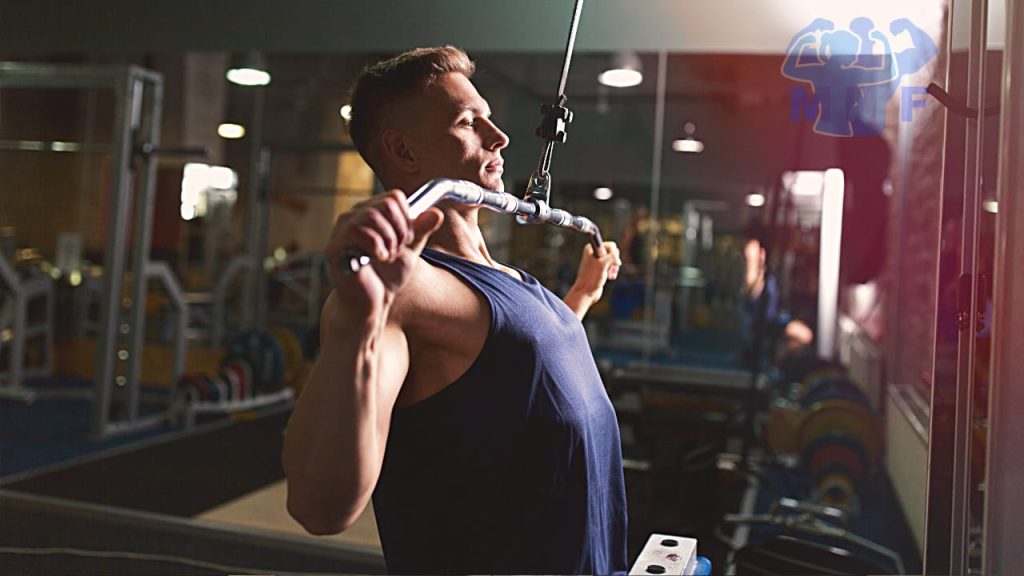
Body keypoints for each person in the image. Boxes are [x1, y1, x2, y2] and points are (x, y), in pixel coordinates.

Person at [282, 46, 627, 575]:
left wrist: (579, 297)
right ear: (404, 150)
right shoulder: (404, 290)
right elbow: (320, 507)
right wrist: (357, 324)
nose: (499, 136)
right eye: (469, 122)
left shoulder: (502, 276)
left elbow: (517, 369)